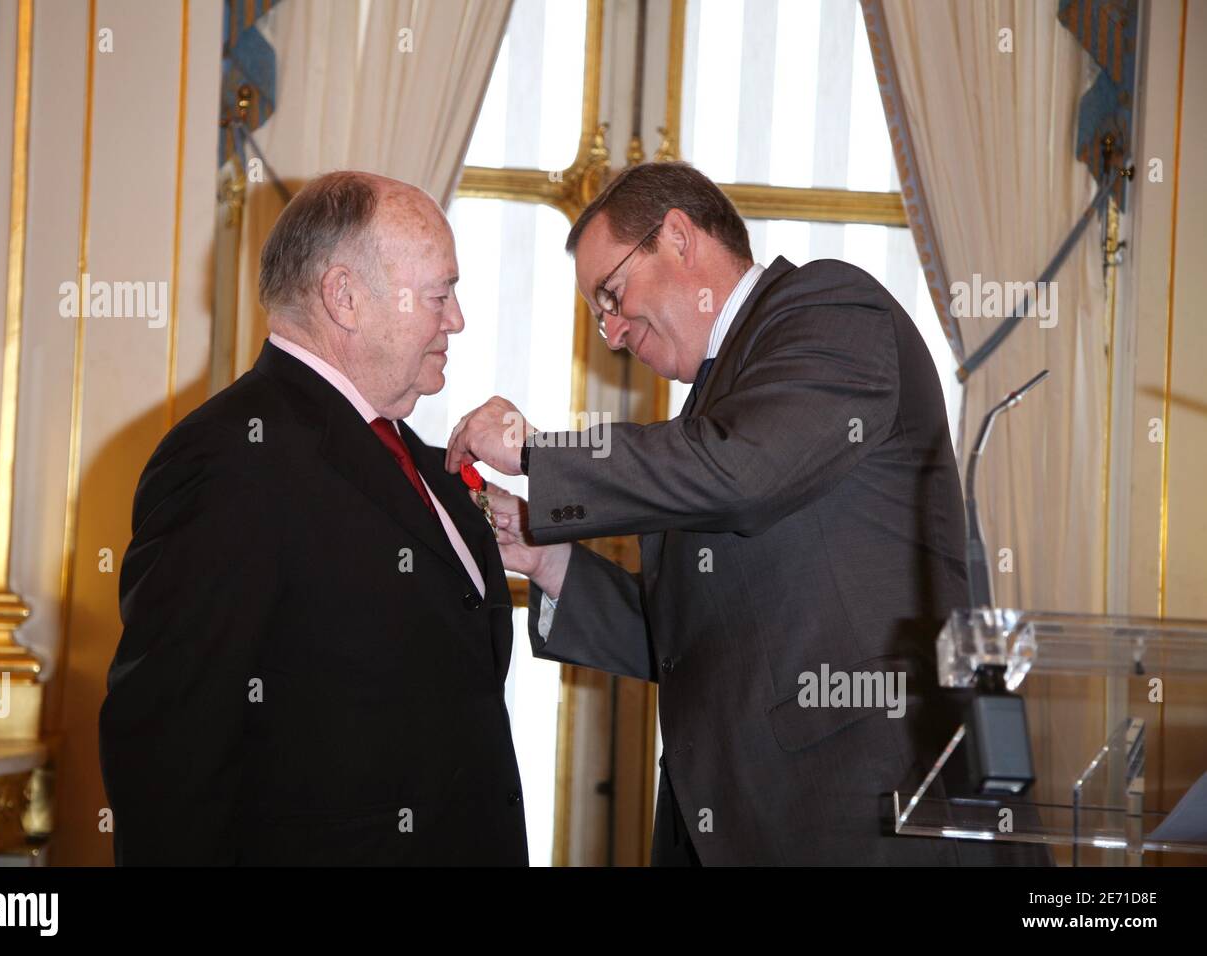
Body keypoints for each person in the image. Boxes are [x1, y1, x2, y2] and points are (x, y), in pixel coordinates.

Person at [446, 161, 1048, 866]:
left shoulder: (832, 309)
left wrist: (538, 455)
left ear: (677, 237)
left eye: (611, 294)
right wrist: (546, 558)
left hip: (861, 813)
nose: (610, 332)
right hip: (731, 820)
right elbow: (689, 641)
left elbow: (741, 470)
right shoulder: (709, 414)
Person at [100, 171, 526, 865]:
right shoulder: (230, 459)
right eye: (441, 293)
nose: (456, 319)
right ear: (345, 297)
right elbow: (167, 755)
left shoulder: (415, 458)